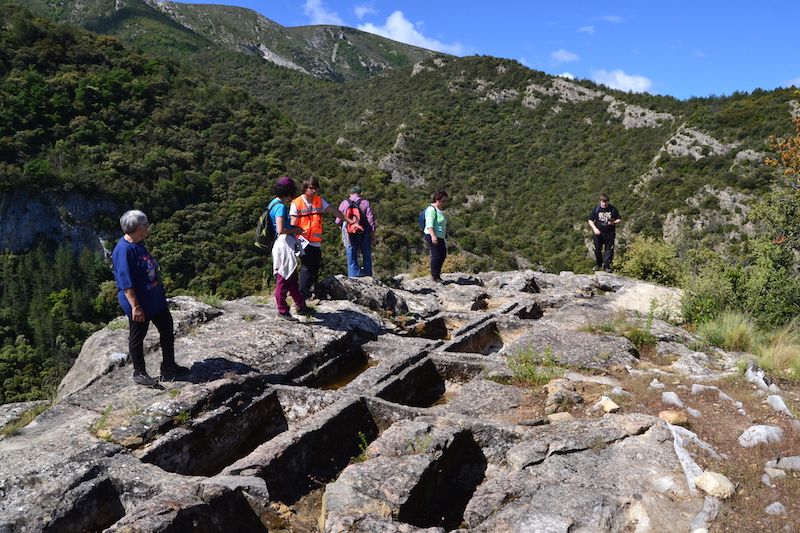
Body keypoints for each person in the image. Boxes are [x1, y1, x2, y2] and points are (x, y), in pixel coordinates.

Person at [112, 210, 190, 387]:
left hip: (154, 299)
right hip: (140, 302)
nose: (148, 228)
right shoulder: (124, 250)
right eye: (146, 225)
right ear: (139, 228)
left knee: (167, 329)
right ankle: (139, 372)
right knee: (137, 336)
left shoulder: (137, 243)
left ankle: (168, 365)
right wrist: (135, 306)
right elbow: (126, 284)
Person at [290, 176, 360, 302]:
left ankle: (310, 292)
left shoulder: (319, 201)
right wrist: (291, 240)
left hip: (315, 241)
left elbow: (334, 211)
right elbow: (292, 223)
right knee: (307, 267)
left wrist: (350, 221)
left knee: (315, 267)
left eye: (315, 188)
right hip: (302, 241)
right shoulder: (296, 203)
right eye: (311, 188)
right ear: (305, 188)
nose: (314, 191)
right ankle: (303, 295)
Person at [270, 177, 314, 321]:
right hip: (284, 246)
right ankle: (282, 310)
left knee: (292, 277)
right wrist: (296, 229)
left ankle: (300, 305)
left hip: (280, 244)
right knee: (283, 278)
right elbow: (281, 229)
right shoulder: (281, 207)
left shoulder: (272, 203)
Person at [336, 185, 377, 277]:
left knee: (351, 256)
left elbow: (338, 220)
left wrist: (343, 229)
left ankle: (353, 277)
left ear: (350, 194)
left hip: (348, 232)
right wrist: (372, 234)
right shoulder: (365, 202)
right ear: (361, 194)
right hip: (363, 231)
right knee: (366, 255)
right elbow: (370, 220)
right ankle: (368, 276)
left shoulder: (344, 203)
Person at [588, 193, 622, 273]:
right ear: (600, 201)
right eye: (602, 201)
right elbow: (590, 220)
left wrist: (614, 222)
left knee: (609, 250)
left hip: (609, 234)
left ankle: (606, 266)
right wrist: (595, 229)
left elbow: (619, 219)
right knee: (597, 249)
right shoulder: (596, 209)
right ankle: (598, 264)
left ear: (608, 202)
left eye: (605, 202)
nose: (604, 203)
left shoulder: (613, 209)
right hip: (598, 234)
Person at [423, 189, 448, 282]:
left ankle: (437, 274)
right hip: (433, 235)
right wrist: (433, 236)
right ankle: (434, 275)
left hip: (440, 236)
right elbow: (429, 223)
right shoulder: (431, 209)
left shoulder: (439, 210)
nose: (444, 203)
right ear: (437, 199)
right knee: (436, 255)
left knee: (442, 254)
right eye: (443, 200)